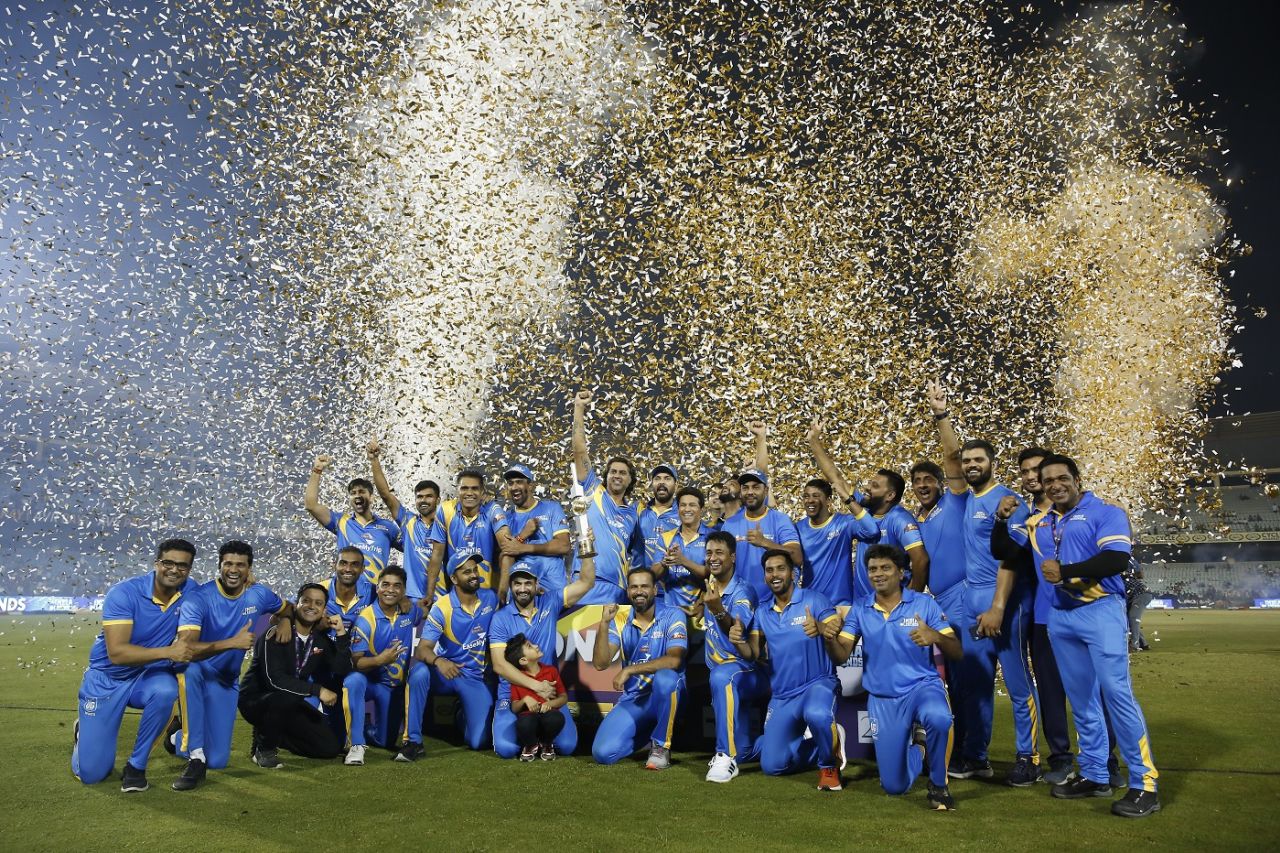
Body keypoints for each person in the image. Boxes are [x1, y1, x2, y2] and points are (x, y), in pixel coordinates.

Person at [995, 454, 1160, 818]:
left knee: (1117, 695)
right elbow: (1003, 552)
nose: (1055, 485)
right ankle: (1095, 774)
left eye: (1062, 478)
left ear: (1076, 478)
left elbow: (1117, 560)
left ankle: (1144, 784)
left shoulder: (1105, 512)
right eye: (1048, 479)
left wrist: (1065, 572)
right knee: (1082, 700)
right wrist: (1000, 519)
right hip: (1060, 617)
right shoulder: (1038, 521)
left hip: (1101, 611)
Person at [927, 381, 1039, 786]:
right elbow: (949, 457)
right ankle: (976, 756)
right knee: (975, 684)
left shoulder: (1009, 500)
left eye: (979, 460)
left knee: (1016, 681)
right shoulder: (968, 496)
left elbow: (1011, 556)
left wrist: (996, 607)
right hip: (971, 605)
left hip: (1004, 606)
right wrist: (942, 414)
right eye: (967, 460)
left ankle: (1029, 757)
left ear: (993, 463)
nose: (970, 464)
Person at [824, 545, 962, 810]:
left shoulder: (923, 604)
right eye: (872, 569)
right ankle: (920, 748)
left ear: (901, 572)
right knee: (894, 786)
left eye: (885, 568)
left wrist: (935, 637)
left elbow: (956, 650)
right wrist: (829, 640)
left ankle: (939, 785)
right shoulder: (861, 609)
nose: (878, 574)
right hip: (884, 698)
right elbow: (842, 656)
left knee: (939, 717)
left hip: (922, 688)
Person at [72, 539, 197, 791]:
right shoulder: (124, 593)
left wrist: (281, 617)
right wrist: (169, 651)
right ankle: (82, 734)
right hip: (107, 677)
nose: (174, 570)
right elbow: (117, 654)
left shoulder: (191, 591)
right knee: (93, 774)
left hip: (148, 675)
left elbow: (224, 597)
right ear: (156, 564)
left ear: (190, 569)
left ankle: (136, 766)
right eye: (168, 563)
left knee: (165, 690)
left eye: (182, 566)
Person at [170, 540, 289, 790]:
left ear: (249, 569)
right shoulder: (199, 598)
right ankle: (195, 760)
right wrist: (232, 643)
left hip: (226, 680)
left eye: (240, 565)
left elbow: (288, 608)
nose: (233, 570)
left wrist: (284, 621)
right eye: (228, 564)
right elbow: (186, 649)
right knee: (188, 670)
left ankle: (175, 737)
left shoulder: (259, 594)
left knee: (219, 761)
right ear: (220, 566)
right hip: (199, 670)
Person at [490, 551, 597, 759]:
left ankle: (540, 738)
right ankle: (533, 736)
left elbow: (587, 582)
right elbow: (499, 665)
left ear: (536, 583)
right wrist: (536, 687)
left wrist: (586, 549)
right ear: (511, 586)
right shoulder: (500, 618)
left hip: (550, 693)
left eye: (527, 583)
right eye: (517, 584)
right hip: (512, 694)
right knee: (506, 750)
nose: (522, 589)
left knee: (567, 746)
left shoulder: (550, 601)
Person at [756, 549, 847, 791]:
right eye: (769, 570)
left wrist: (819, 626)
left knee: (817, 714)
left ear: (793, 573)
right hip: (783, 695)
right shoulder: (762, 612)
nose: (775, 574)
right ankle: (825, 742)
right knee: (772, 766)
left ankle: (829, 766)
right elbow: (752, 652)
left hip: (818, 683)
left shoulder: (814, 600)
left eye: (780, 568)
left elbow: (835, 626)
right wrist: (735, 636)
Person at [807, 419, 929, 597]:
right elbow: (836, 477)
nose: (867, 489)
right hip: (863, 604)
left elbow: (921, 559)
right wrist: (814, 441)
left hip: (891, 607)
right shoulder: (865, 508)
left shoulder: (900, 519)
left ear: (890, 496)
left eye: (875, 486)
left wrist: (913, 598)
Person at [1014, 446, 1077, 786]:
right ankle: (1062, 758)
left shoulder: (1076, 511)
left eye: (1037, 470)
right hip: (1042, 617)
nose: (1031, 477)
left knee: (1093, 690)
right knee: (1051, 691)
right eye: (1025, 471)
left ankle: (1106, 759)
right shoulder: (1025, 517)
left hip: (1085, 612)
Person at [238, 583, 353, 768]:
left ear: (324, 609)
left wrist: (340, 634)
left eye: (318, 603)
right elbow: (274, 680)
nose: (311, 606)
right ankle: (263, 748)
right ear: (296, 604)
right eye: (306, 601)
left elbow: (341, 669)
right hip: (256, 701)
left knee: (329, 748)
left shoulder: (319, 640)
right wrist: (318, 690)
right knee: (284, 696)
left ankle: (273, 734)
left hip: (290, 701)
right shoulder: (275, 634)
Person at [591, 567, 688, 769]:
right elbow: (601, 663)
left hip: (668, 695)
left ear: (655, 589)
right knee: (603, 753)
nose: (639, 591)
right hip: (634, 698)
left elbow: (674, 661)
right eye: (634, 587)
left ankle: (661, 747)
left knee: (666, 678)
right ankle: (650, 735)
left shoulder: (673, 615)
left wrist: (629, 670)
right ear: (628, 591)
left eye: (644, 586)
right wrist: (603, 623)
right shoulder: (619, 619)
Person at [341, 565, 431, 764]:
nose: (390, 590)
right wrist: (380, 660)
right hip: (372, 683)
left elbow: (424, 611)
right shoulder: (365, 619)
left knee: (385, 740)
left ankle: (366, 728)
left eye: (397, 586)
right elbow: (356, 663)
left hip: (393, 689)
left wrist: (416, 602)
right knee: (354, 680)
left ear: (403, 591)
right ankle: (356, 744)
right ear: (378, 588)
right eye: (386, 585)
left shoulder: (409, 611)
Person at [700, 530, 767, 783]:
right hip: (722, 676)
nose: (713, 558)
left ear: (733, 557)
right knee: (746, 751)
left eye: (719, 552)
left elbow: (736, 628)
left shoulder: (743, 591)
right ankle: (806, 738)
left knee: (721, 676)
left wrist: (717, 610)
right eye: (708, 553)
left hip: (746, 670)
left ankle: (724, 755)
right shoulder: (710, 587)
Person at [418, 554, 499, 751]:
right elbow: (422, 649)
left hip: (477, 678)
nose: (473, 575)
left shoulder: (491, 598)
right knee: (417, 674)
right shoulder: (442, 606)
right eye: (466, 572)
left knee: (479, 742)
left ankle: (461, 714)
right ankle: (411, 739)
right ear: (454, 579)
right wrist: (439, 661)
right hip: (451, 672)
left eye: (474, 570)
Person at [570, 390, 643, 605]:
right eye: (613, 471)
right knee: (580, 638)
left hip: (617, 587)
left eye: (623, 473)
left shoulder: (635, 513)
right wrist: (579, 408)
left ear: (631, 480)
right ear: (606, 475)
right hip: (585, 580)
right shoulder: (593, 489)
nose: (617, 476)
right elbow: (579, 450)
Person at [304, 453, 402, 580]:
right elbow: (311, 505)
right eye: (353, 493)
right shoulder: (341, 522)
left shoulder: (388, 527)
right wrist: (317, 470)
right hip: (345, 590)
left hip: (374, 593)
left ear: (372, 497)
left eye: (362, 492)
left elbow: (412, 548)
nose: (357, 496)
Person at [368, 439, 440, 602]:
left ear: (438, 499)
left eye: (429, 496)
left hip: (441, 598)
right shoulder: (409, 521)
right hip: (412, 599)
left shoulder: (448, 525)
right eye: (419, 497)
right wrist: (374, 460)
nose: (423, 500)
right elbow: (386, 494)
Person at [425, 469, 513, 601]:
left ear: (482, 492)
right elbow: (437, 554)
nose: (469, 493)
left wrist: (502, 593)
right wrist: (430, 594)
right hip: (457, 593)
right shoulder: (445, 510)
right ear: (457, 491)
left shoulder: (493, 510)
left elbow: (508, 548)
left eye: (474, 489)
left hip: (488, 595)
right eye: (464, 488)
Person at [793, 477, 879, 612]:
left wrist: (847, 498)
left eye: (816, 496)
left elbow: (872, 531)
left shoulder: (843, 523)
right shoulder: (798, 529)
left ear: (828, 500)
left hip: (840, 605)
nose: (810, 500)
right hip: (810, 605)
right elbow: (795, 566)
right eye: (806, 496)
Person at [720, 468, 802, 602]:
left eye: (756, 487)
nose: (750, 492)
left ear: (766, 490)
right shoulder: (729, 524)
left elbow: (797, 557)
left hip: (775, 602)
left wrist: (765, 542)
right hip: (741, 602)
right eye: (745, 488)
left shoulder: (780, 520)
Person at [497, 463, 571, 599]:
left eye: (519, 482)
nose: (514, 487)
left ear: (531, 486)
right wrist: (522, 536)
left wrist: (523, 548)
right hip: (522, 593)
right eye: (510, 483)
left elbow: (564, 546)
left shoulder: (551, 508)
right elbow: (505, 556)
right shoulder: (505, 519)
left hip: (553, 590)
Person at [503, 633, 569, 761]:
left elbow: (563, 697)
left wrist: (550, 704)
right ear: (523, 660)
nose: (536, 646)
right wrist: (525, 700)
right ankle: (531, 745)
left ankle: (546, 743)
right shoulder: (517, 678)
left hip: (548, 714)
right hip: (528, 716)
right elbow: (515, 708)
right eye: (530, 646)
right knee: (524, 724)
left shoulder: (551, 671)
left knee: (556, 718)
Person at [654, 487, 715, 613]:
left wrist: (683, 561)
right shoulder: (666, 538)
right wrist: (663, 563)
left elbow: (713, 574)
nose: (687, 509)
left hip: (702, 610)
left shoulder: (713, 538)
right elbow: (653, 575)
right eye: (683, 505)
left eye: (692, 505)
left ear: (702, 510)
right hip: (671, 611)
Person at [322, 546, 377, 632]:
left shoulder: (373, 592)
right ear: (334, 565)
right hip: (325, 644)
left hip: (359, 644)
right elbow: (294, 606)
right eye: (343, 563)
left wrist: (403, 600)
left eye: (354, 564)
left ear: (362, 569)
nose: (348, 569)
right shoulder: (320, 590)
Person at [638, 463, 680, 573]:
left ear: (676, 485)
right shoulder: (639, 512)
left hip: (672, 587)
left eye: (667, 478)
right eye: (657, 478)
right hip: (641, 585)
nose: (662, 482)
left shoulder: (683, 515)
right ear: (652, 484)